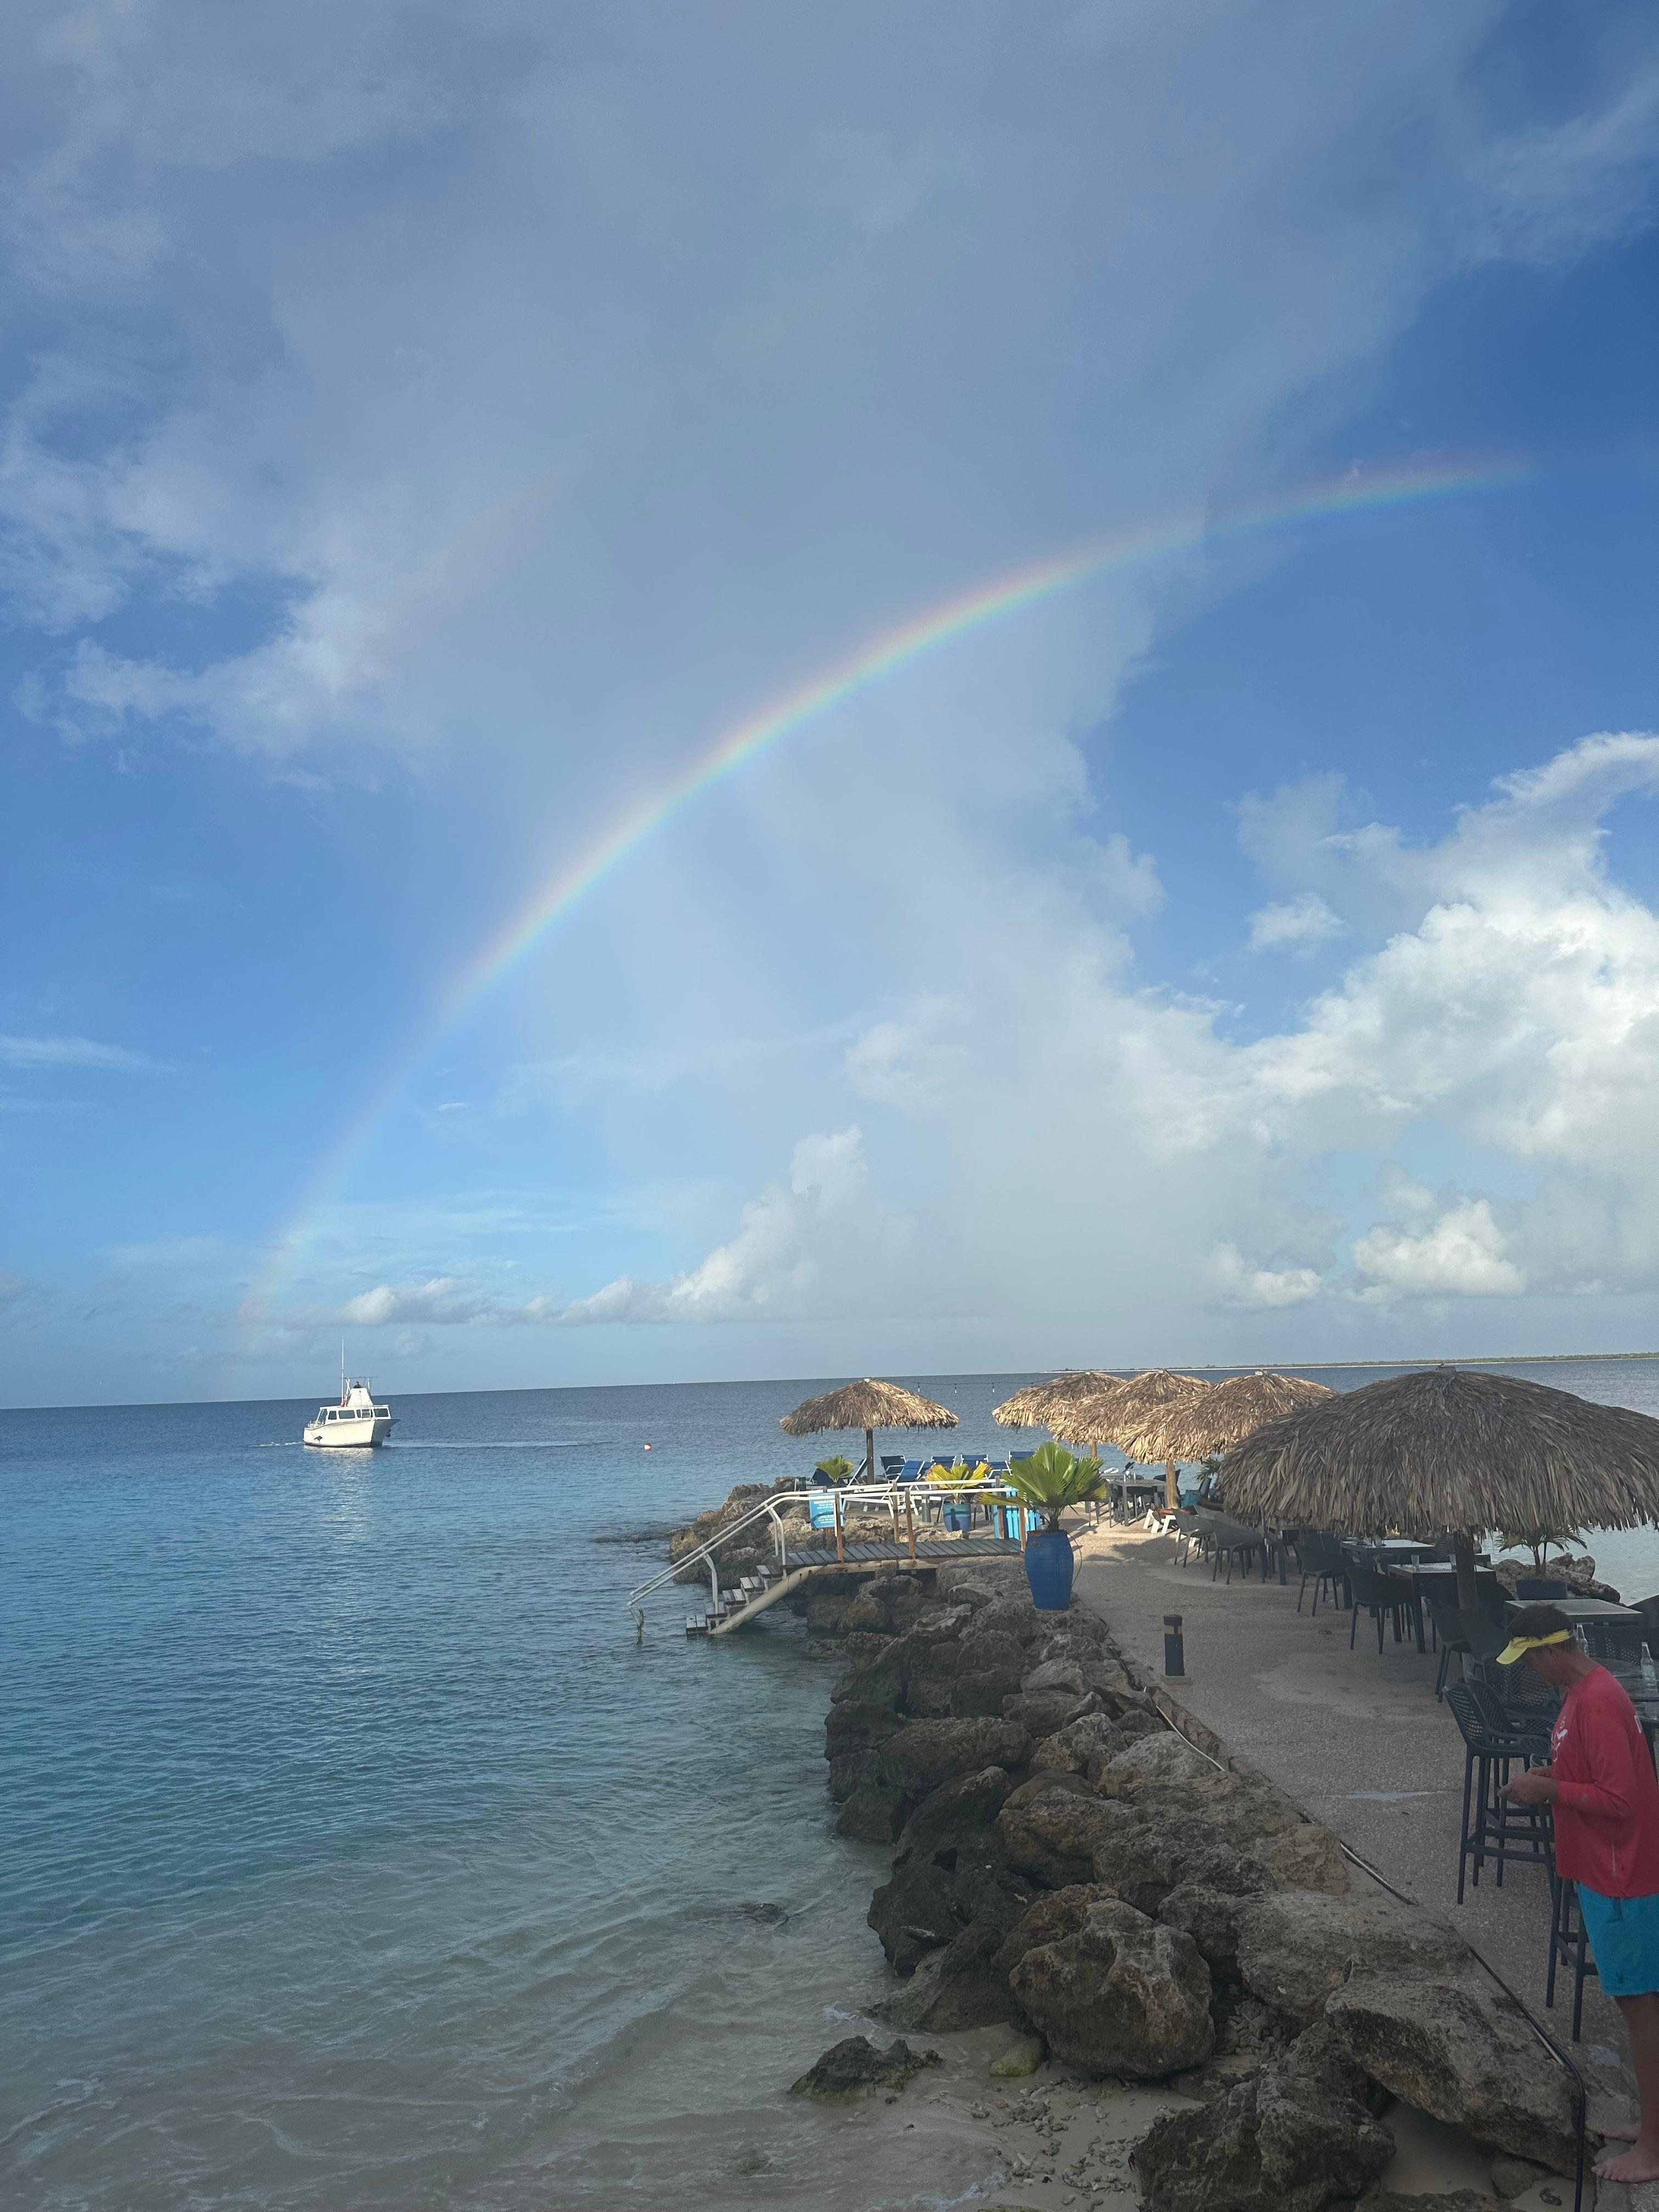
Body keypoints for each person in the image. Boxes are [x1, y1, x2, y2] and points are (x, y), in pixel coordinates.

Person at [1500, 1602, 1659, 2184]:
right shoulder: (1580, 1695)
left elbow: (1619, 1800)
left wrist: (1549, 1793)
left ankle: (1655, 2148)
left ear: (1550, 1651)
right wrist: (1550, 1776)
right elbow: (1587, 1772)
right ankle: (1652, 2123)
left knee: (1641, 2005)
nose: (1529, 1671)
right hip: (1602, 1870)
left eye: (1529, 1660)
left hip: (1622, 1874)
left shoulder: (1596, 1700)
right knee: (1636, 2002)